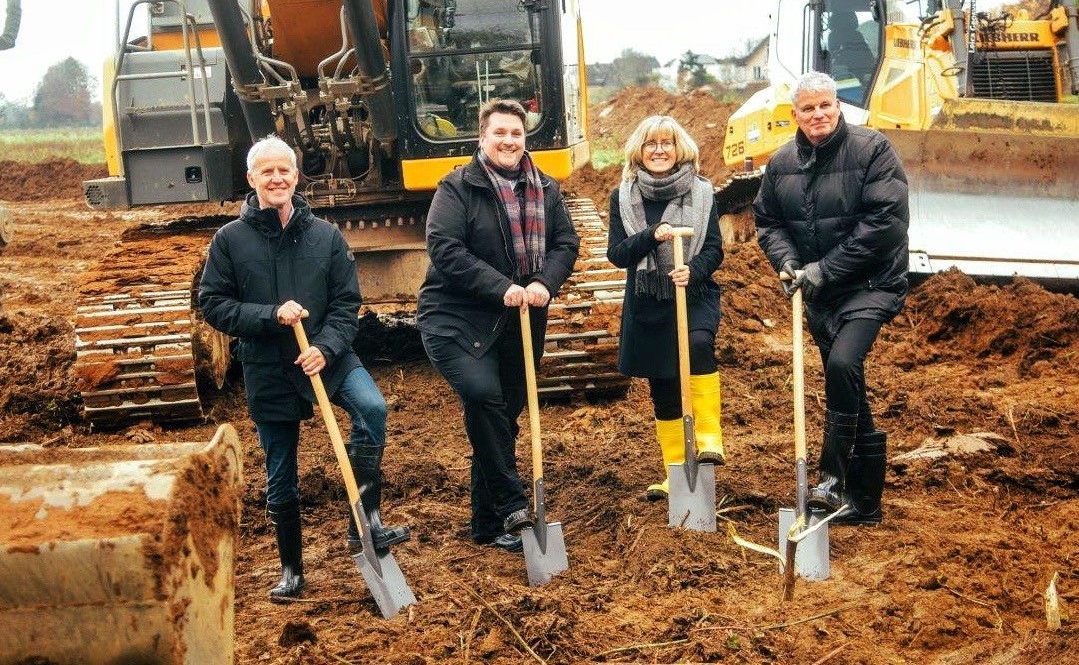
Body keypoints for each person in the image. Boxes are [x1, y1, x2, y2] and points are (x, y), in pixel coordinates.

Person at [199, 135, 409, 601]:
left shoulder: (326, 236)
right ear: (252, 179)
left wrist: (327, 349)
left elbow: (345, 303)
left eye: (285, 171)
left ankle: (366, 522)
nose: (277, 178)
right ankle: (292, 570)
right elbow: (213, 304)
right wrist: (268, 314)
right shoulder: (230, 241)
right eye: (267, 172)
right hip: (268, 366)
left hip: (325, 357)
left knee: (372, 409)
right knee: (281, 472)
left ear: (296, 176)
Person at [418, 98, 580, 552]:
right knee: (483, 397)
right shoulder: (457, 188)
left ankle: (487, 526)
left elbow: (566, 241)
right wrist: (500, 286)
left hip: (522, 318)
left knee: (501, 417)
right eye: (500, 133)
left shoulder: (545, 188)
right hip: (455, 317)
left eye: (516, 134)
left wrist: (546, 281)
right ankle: (512, 505)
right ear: (482, 138)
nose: (509, 141)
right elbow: (445, 248)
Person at [753, 71, 909, 525]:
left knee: (843, 364)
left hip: (870, 284)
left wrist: (823, 269)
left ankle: (832, 479)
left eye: (826, 105)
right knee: (849, 387)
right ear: (795, 115)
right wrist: (788, 264)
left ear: (837, 106)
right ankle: (866, 503)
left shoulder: (872, 148)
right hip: (819, 294)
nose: (818, 114)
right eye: (808, 108)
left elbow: (886, 224)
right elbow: (768, 222)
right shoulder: (781, 162)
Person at [606, 115, 725, 502]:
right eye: (650, 144)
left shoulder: (704, 192)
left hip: (694, 292)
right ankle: (676, 472)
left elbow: (713, 249)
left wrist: (693, 271)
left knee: (698, 343)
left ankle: (709, 439)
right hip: (647, 300)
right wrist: (648, 236)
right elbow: (618, 254)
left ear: (679, 149)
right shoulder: (623, 196)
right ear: (639, 152)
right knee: (664, 386)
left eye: (666, 143)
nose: (659, 150)